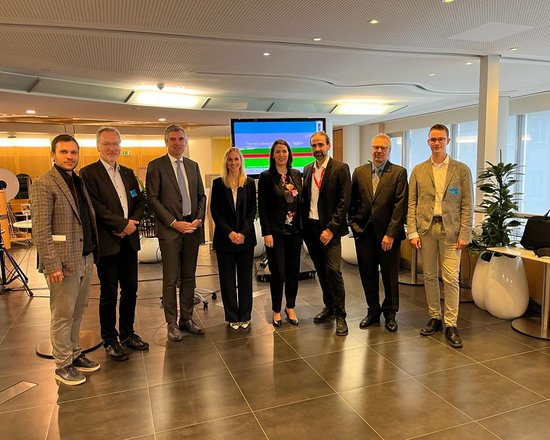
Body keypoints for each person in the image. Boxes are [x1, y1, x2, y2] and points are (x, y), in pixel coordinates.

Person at [31, 134, 100, 385]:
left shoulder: (77, 181)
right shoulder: (44, 183)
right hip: (62, 262)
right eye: (63, 152)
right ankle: (63, 364)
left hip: (84, 256)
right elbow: (40, 229)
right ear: (53, 155)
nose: (69, 156)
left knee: (79, 310)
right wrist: (52, 264)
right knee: (62, 314)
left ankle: (75, 352)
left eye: (73, 152)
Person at [80, 127, 149, 361]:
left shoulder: (128, 173)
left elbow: (140, 201)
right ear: (98, 146)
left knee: (131, 290)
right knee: (109, 293)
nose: (112, 148)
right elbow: (96, 206)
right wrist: (121, 224)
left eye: (115, 144)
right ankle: (110, 339)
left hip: (129, 242)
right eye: (107, 144)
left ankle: (128, 334)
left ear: (120, 146)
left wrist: (133, 222)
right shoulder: (88, 173)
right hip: (108, 243)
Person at [407, 123, 473, 348]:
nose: (436, 143)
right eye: (433, 139)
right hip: (426, 230)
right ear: (428, 142)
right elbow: (412, 203)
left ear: (448, 141)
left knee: (451, 278)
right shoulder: (418, 169)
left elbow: (467, 205)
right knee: (429, 275)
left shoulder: (461, 169)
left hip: (451, 232)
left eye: (440, 139)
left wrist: (465, 232)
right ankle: (435, 317)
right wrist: (412, 230)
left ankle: (451, 323)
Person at [146, 124, 206, 341]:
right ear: (166, 142)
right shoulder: (156, 166)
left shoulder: (193, 165)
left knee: (189, 277)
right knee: (171, 278)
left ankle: (186, 319)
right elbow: (152, 198)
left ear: (185, 141)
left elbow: (201, 196)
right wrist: (173, 222)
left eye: (181, 139)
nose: (177, 143)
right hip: (170, 231)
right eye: (173, 139)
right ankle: (172, 323)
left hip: (192, 229)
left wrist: (198, 219)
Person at [349, 134, 408, 332]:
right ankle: (373, 311)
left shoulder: (398, 173)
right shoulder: (359, 172)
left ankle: (390, 313)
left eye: (383, 148)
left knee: (390, 276)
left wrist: (391, 233)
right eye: (375, 147)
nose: (379, 151)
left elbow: (400, 205)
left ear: (389, 151)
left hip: (388, 236)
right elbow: (353, 202)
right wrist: (354, 226)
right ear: (370, 149)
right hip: (364, 234)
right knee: (368, 275)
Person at [302, 131, 351, 336]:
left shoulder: (340, 168)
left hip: (330, 230)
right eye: (314, 146)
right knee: (321, 271)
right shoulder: (306, 169)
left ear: (328, 146)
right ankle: (329, 307)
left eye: (320, 145)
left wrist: (331, 229)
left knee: (334, 271)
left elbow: (344, 201)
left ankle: (341, 315)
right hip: (311, 229)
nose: (317, 149)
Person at [210, 147, 256, 330]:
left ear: (241, 161)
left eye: (236, 159)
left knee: (245, 279)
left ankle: (245, 315)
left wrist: (243, 233)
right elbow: (215, 211)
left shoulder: (250, 183)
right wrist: (230, 233)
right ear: (226, 162)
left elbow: (252, 210)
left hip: (245, 240)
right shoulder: (219, 183)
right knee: (227, 280)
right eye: (230, 159)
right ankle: (232, 316)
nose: (233, 163)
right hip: (225, 240)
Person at [258, 139, 303, 327]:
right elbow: (263, 208)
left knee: (293, 271)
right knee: (278, 272)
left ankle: (290, 306)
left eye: (284, 151)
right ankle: (276, 309)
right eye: (277, 151)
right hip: (275, 233)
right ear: (273, 154)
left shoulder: (296, 175)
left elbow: (302, 202)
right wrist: (266, 232)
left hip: (295, 232)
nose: (281, 155)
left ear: (289, 153)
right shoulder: (266, 177)